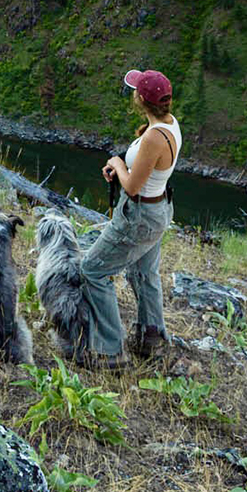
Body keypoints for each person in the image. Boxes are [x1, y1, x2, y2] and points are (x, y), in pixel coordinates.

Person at [78, 68, 181, 365]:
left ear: (140, 100)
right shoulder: (170, 125)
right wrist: (124, 164)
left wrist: (116, 164)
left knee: (92, 270)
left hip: (139, 215)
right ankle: (151, 337)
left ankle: (110, 352)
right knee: (143, 272)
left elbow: (134, 186)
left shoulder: (152, 138)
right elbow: (149, 169)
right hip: (159, 208)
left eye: (136, 89)